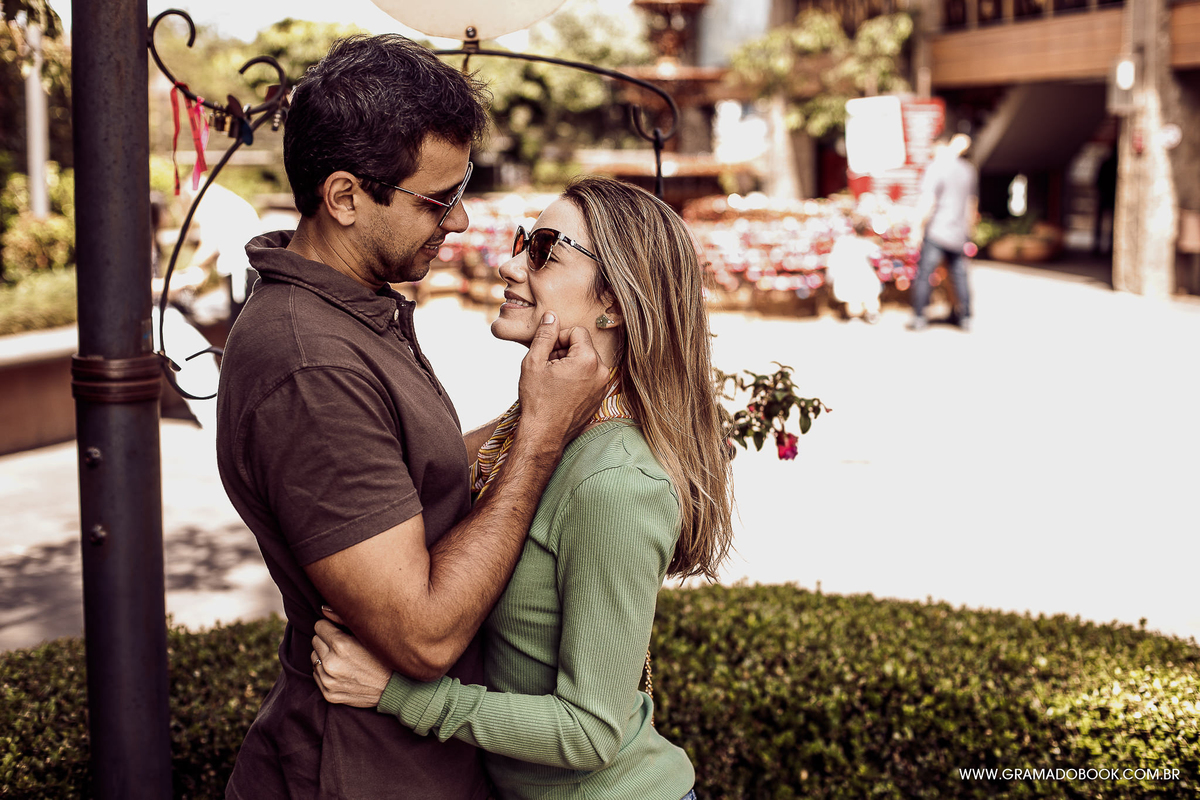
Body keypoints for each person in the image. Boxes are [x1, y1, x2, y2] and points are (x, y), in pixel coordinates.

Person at [215, 35, 610, 800]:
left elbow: (415, 477)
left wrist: (545, 411)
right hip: (359, 773)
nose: (460, 222)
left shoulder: (351, 310)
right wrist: (536, 439)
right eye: (436, 200)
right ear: (344, 197)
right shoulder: (311, 365)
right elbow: (422, 635)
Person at [311, 177, 735, 800]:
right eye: (519, 242)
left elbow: (591, 732)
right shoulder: (538, 431)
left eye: (542, 250)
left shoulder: (616, 478)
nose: (509, 264)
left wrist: (401, 694)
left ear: (614, 301)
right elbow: (418, 482)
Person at [908, 131, 978, 331]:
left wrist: (917, 228)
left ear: (939, 146)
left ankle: (919, 316)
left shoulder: (936, 167)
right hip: (959, 232)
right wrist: (968, 231)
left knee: (925, 275)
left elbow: (927, 202)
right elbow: (972, 204)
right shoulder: (968, 170)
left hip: (937, 231)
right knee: (959, 276)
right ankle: (965, 317)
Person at [827, 215, 883, 323]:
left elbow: (832, 263)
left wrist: (831, 278)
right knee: (868, 296)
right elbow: (878, 256)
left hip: (847, 280)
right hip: (864, 278)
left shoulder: (841, 243)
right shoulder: (867, 244)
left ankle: (858, 315)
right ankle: (870, 313)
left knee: (854, 301)